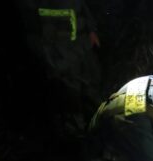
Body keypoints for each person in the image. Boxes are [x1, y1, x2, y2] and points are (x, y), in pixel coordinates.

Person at [17, 0, 102, 135]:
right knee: (69, 99)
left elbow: (82, 6)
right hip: (58, 54)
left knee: (92, 91)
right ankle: (77, 137)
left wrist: (91, 29)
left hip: (82, 48)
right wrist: (49, 55)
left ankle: (98, 130)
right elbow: (31, 25)